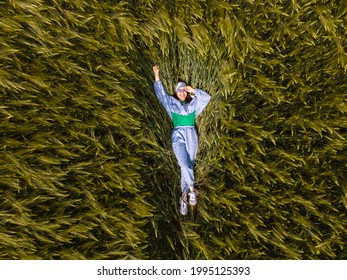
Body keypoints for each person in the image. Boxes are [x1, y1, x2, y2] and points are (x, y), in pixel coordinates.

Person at [152, 64, 211, 215]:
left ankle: (183, 197)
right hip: (177, 135)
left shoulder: (192, 105)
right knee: (183, 164)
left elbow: (206, 98)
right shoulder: (171, 104)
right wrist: (157, 75)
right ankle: (192, 190)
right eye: (179, 90)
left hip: (191, 134)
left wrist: (193, 91)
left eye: (184, 90)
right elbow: (161, 95)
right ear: (176, 92)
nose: (181, 93)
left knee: (188, 165)